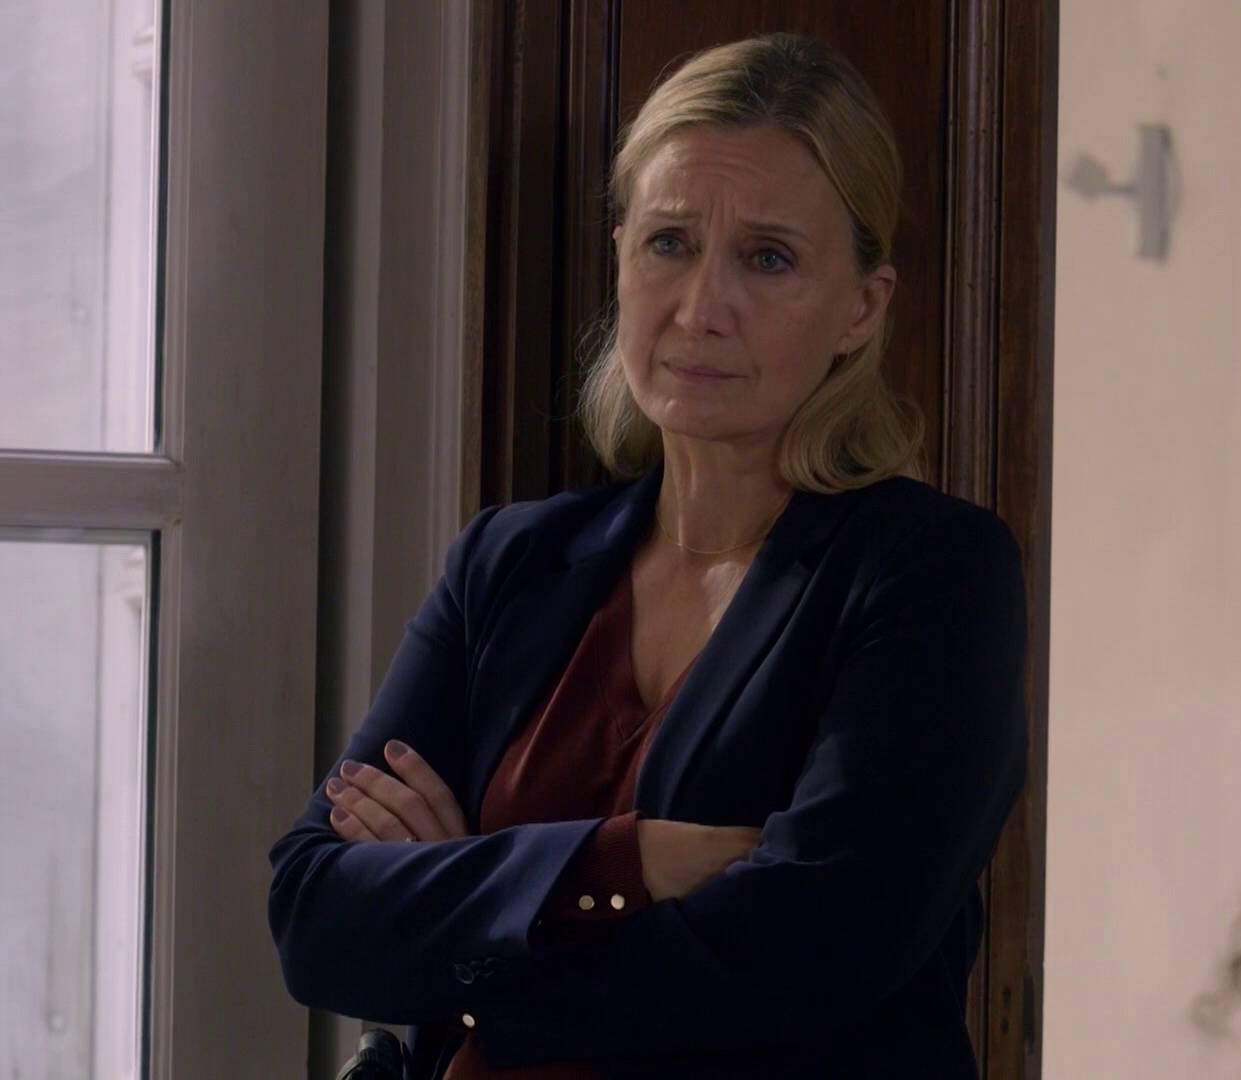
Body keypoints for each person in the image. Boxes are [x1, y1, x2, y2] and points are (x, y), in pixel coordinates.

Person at [268, 34, 1027, 1079]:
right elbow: (315, 915)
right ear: (621, 254)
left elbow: (818, 949)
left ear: (862, 307)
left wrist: (462, 915)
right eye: (670, 242)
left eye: (768, 258)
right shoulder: (509, 561)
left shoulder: (932, 573)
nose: (701, 309)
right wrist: (629, 862)